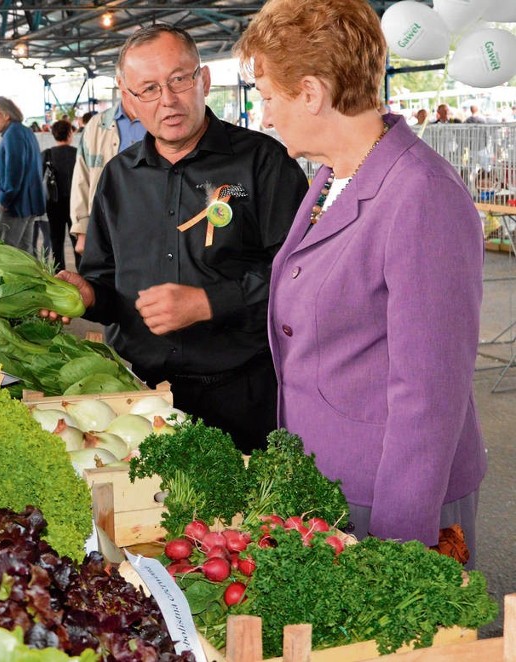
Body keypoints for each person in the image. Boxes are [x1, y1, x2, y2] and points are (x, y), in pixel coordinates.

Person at [234, 0, 486, 565]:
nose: (265, 116)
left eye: (268, 96)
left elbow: (430, 393)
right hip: (332, 481)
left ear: (311, 93)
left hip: (395, 496)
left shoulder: (421, 194)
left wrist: (399, 546)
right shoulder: (332, 177)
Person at [44, 24, 308, 454]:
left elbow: (300, 277)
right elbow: (107, 284)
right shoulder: (117, 178)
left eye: (179, 79)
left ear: (203, 81)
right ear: (129, 102)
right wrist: (88, 293)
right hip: (139, 401)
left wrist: (208, 303)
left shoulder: (262, 164)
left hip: (243, 395)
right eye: (148, 89)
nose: (167, 100)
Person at [70, 78, 147, 255]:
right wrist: (82, 229)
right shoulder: (97, 125)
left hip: (150, 223)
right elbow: (81, 178)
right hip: (105, 225)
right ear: (121, 82)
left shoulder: (161, 121)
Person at [0, 96, 46, 253]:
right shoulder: (24, 131)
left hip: (16, 205)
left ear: (6, 115)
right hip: (28, 203)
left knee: (6, 253)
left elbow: (14, 170)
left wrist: (5, 199)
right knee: (25, 252)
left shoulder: (13, 134)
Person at [41, 119, 79, 271]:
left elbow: (39, 179)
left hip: (53, 204)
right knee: (77, 242)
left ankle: (59, 275)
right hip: (75, 205)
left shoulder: (47, 154)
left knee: (56, 242)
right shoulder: (78, 153)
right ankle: (82, 276)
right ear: (70, 133)